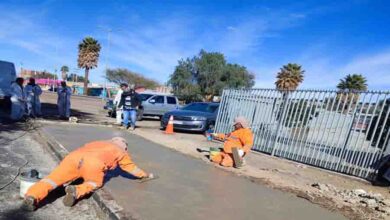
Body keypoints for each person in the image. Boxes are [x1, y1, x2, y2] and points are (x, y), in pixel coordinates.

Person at [23, 137, 153, 211]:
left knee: (52, 180)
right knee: (94, 182)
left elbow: (85, 148)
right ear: (124, 146)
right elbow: (130, 167)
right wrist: (144, 175)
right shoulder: (121, 151)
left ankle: (32, 196)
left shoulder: (97, 142)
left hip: (73, 158)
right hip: (93, 163)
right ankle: (76, 190)